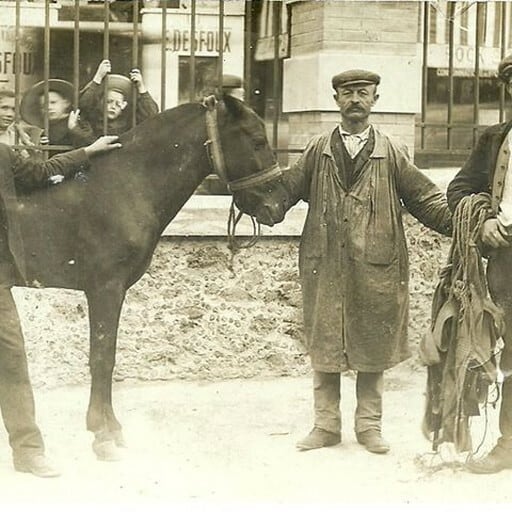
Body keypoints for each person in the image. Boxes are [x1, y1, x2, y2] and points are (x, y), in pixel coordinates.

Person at [280, 70, 452, 454]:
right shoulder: (316, 149)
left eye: (362, 92)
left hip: (377, 267)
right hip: (324, 264)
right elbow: (285, 191)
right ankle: (325, 426)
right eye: (347, 93)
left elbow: (424, 199)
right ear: (336, 99)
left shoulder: (391, 151)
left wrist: (461, 223)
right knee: (325, 341)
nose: (355, 99)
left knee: (372, 344)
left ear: (375, 99)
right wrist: (256, 198)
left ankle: (369, 427)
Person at [0, 133, 122, 478]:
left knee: (11, 362)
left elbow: (41, 172)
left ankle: (28, 452)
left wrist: (88, 151)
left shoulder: (2, 155)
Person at [446, 53, 512, 474]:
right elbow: (458, 190)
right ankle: (510, 443)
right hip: (508, 261)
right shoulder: (495, 139)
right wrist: (485, 217)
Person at [79, 59, 159, 137]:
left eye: (118, 104)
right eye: (109, 101)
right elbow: (82, 106)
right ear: (102, 102)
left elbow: (152, 114)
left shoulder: (129, 120)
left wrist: (141, 87)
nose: (113, 106)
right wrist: (98, 77)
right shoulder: (93, 117)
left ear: (124, 105)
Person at [20, 79, 95, 156]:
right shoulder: (46, 130)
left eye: (53, 102)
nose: (49, 107)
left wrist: (74, 129)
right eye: (43, 106)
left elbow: (91, 145)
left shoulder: (77, 121)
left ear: (66, 103)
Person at [0, 89, 43, 159]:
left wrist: (29, 147)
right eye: (4, 108)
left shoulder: (16, 138)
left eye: (14, 109)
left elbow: (31, 165)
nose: (10, 114)